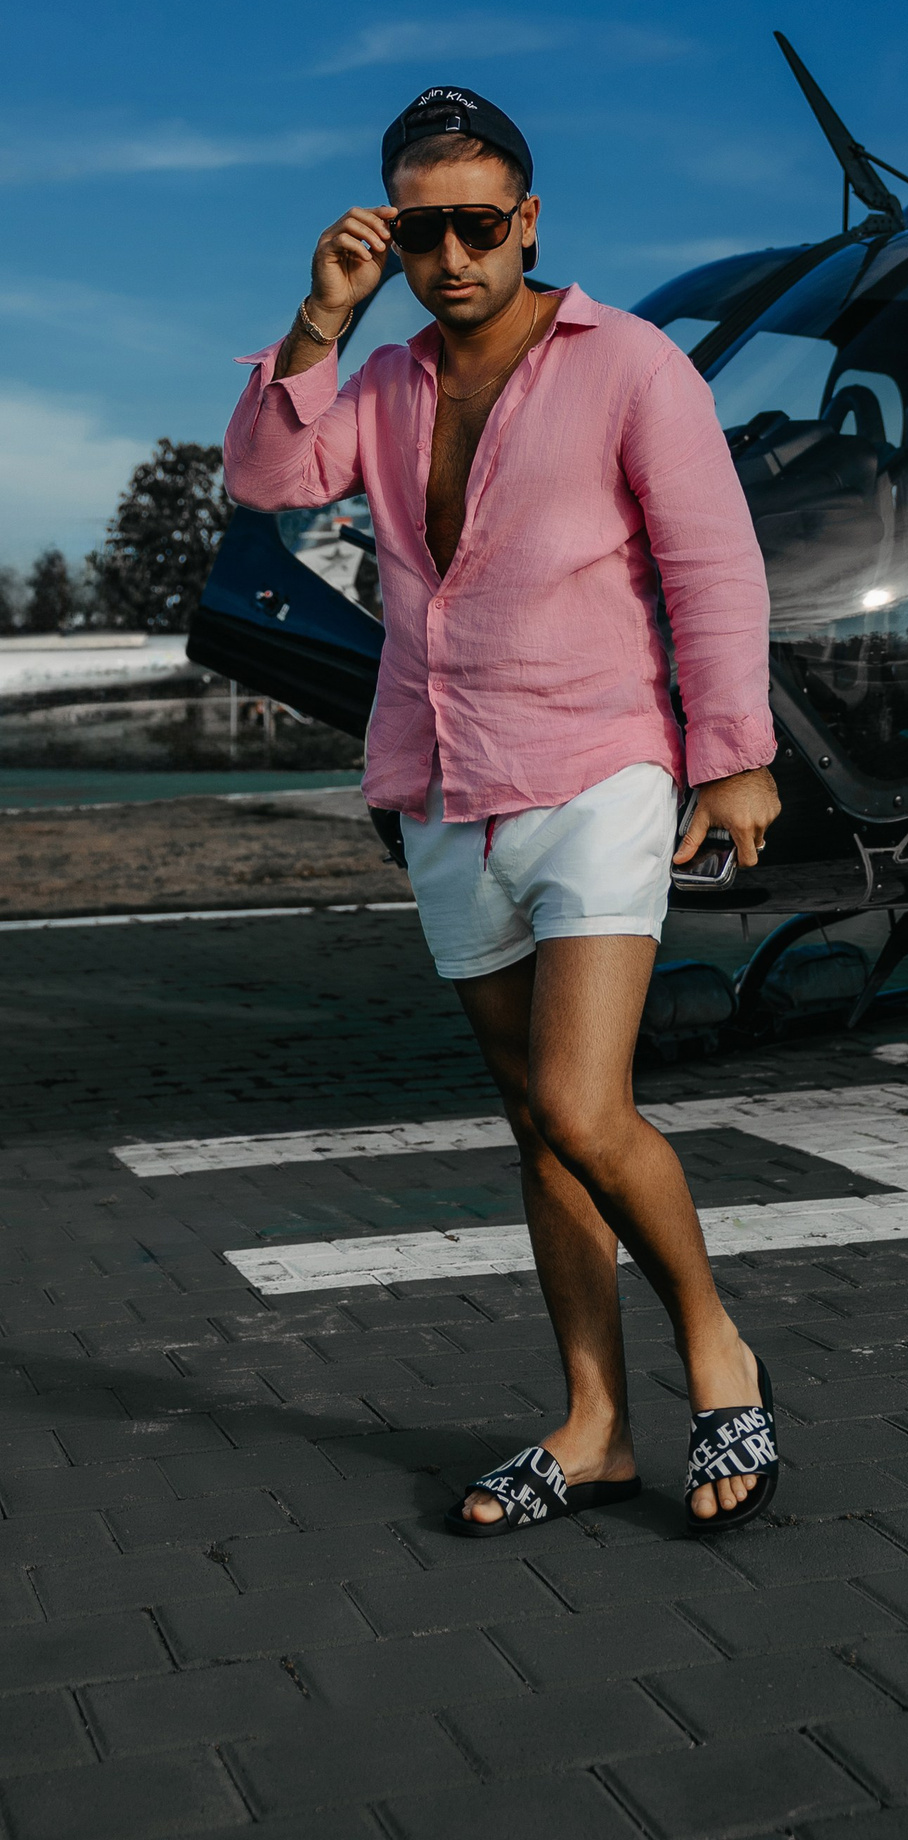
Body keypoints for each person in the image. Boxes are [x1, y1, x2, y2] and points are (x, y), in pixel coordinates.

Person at [224, 83, 783, 1538]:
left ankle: (718, 1353)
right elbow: (268, 476)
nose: (453, 255)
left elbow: (713, 564)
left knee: (588, 1105)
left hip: (599, 763)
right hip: (443, 781)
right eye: (420, 232)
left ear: (528, 220)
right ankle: (594, 1427)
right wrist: (321, 318)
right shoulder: (384, 383)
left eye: (479, 224)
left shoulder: (632, 363)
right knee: (537, 1123)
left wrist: (733, 752)